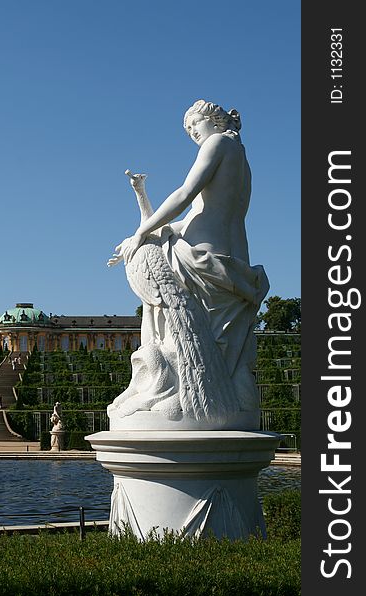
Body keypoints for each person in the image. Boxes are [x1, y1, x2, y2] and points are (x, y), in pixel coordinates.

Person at [107, 100, 269, 428]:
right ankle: (200, 392)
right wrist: (142, 201)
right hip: (230, 256)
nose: (192, 132)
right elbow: (184, 222)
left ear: (214, 119)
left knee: (145, 259)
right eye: (188, 129)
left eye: (195, 124)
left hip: (203, 257)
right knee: (222, 350)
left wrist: (139, 235)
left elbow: (184, 195)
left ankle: (163, 385)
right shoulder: (240, 158)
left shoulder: (219, 142)